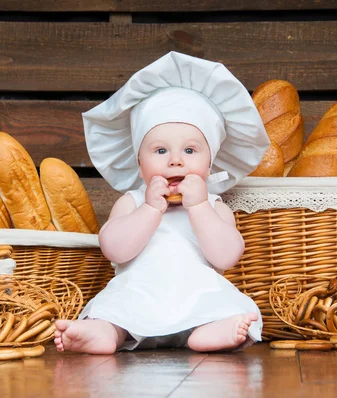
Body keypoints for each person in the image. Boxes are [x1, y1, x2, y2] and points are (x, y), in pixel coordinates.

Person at [54, 51, 270, 354]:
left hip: (198, 296)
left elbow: (226, 257)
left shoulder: (214, 205)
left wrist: (199, 208)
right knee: (112, 311)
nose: (175, 161)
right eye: (160, 151)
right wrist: (149, 210)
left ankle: (211, 332)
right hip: (138, 294)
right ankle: (103, 333)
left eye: (191, 151)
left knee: (226, 305)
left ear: (210, 165)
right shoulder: (131, 201)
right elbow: (114, 249)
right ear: (139, 165)